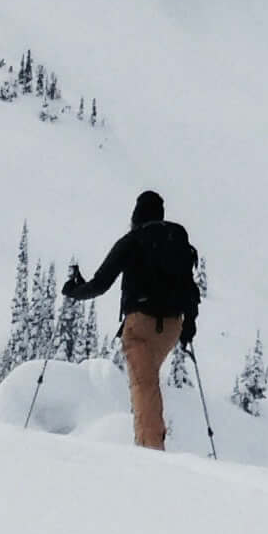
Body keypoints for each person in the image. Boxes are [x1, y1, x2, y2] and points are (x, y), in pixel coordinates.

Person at [63, 189, 199, 451]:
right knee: (147, 382)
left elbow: (100, 284)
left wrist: (73, 291)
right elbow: (190, 288)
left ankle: (150, 451)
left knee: (144, 385)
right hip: (173, 326)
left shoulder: (133, 240)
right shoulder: (177, 241)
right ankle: (148, 440)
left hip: (140, 323)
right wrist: (189, 324)